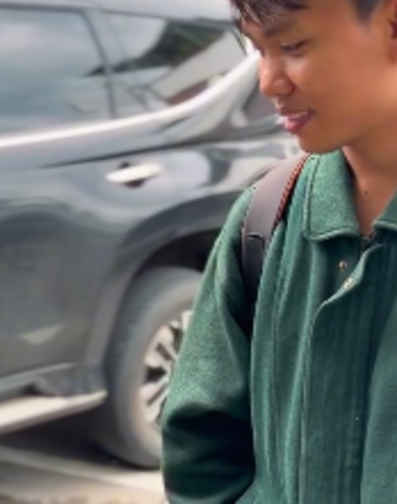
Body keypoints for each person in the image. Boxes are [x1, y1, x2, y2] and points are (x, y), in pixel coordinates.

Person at [161, 0, 397, 502]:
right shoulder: (267, 218)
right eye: (258, 50)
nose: (268, 82)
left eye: (293, 46)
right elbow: (200, 452)